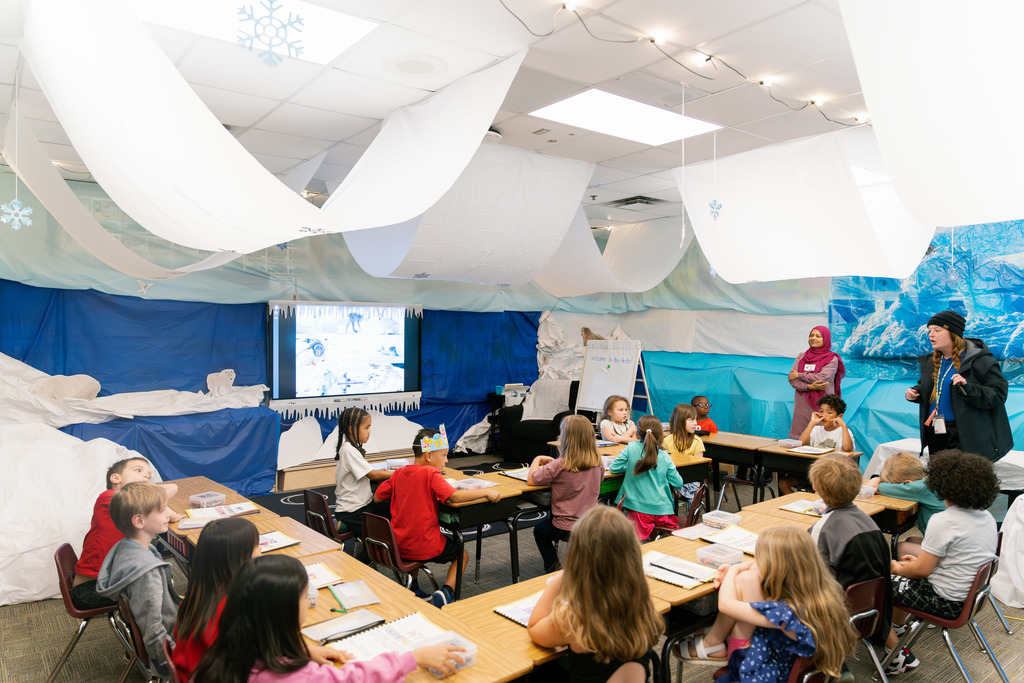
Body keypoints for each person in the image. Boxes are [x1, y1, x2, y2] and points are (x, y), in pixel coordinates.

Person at [191, 554, 465, 683]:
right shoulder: (296, 677)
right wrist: (412, 658)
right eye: (304, 595)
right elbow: (350, 679)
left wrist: (303, 651)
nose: (310, 600)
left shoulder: (225, 652)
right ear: (284, 611)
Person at [675, 527, 856, 682]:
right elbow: (758, 567)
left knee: (746, 580)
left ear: (779, 569)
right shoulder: (822, 593)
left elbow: (726, 604)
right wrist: (747, 569)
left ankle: (712, 641)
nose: (757, 563)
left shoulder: (786, 613)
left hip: (759, 672)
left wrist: (734, 569)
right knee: (749, 578)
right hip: (796, 667)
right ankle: (711, 640)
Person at [884, 449, 999, 676]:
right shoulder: (986, 516)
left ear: (942, 486)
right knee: (902, 574)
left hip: (946, 601)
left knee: (882, 582)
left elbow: (921, 571)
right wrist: (915, 564)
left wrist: (898, 568)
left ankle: (895, 656)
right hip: (970, 598)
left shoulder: (944, 521)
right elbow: (954, 559)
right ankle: (898, 630)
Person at [527, 506, 664, 682]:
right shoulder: (644, 610)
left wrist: (561, 578)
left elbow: (534, 629)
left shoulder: (576, 618)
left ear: (578, 558)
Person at [373, 426, 500, 607]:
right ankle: (446, 592)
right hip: (425, 545)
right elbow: (454, 496)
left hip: (399, 545)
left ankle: (413, 587)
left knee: (413, 544)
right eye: (444, 455)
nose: (446, 460)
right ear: (429, 456)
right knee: (462, 555)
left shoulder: (398, 473)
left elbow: (377, 497)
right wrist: (485, 492)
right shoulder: (431, 473)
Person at [71, 457, 182, 610]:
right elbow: (172, 488)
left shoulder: (131, 507)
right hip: (90, 590)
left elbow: (156, 506)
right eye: (138, 470)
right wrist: (148, 490)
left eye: (149, 475)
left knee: (160, 574)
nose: (146, 476)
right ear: (116, 478)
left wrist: (169, 513)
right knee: (155, 587)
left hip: (111, 580)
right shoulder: (109, 497)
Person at [96, 482, 181, 681]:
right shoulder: (146, 573)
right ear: (139, 521)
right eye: (162, 510)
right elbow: (154, 631)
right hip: (174, 643)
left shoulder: (124, 547)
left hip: (173, 624)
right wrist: (177, 666)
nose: (168, 514)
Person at [905, 310, 1012, 461]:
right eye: (929, 331)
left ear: (953, 333)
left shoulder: (980, 361)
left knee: (963, 475)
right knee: (939, 473)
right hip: (937, 431)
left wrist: (968, 388)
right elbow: (928, 387)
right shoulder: (932, 361)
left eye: (937, 330)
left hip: (966, 435)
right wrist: (915, 392)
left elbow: (998, 395)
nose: (931, 335)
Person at [807, 455, 892, 637]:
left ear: (816, 487)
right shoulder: (868, 522)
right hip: (872, 611)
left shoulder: (821, 529)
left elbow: (812, 578)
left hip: (836, 614)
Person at [172, 518, 261, 681]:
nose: (260, 550)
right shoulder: (232, 610)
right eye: (256, 546)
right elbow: (254, 658)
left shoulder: (196, 596)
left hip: (189, 674)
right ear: (237, 560)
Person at [528, 415, 604, 573]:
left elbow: (532, 479)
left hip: (565, 526)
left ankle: (553, 568)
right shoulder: (598, 463)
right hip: (590, 523)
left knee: (539, 530)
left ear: (566, 439)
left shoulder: (560, 464)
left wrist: (537, 459)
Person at [610, 415, 684, 540]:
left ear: (637, 434)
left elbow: (614, 468)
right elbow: (678, 483)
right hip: (662, 513)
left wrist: (631, 467)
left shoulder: (631, 447)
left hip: (637, 512)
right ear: (661, 435)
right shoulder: (664, 456)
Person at [333, 407, 392, 561]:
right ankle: (359, 565)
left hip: (358, 506)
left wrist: (383, 472)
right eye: (366, 427)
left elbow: (368, 472)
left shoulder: (350, 449)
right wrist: (398, 473)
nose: (369, 432)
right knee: (382, 541)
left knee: (390, 510)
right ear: (352, 429)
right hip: (354, 510)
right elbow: (372, 474)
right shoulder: (349, 450)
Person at [863, 452, 945, 557]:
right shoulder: (927, 479)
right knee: (910, 540)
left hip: (949, 549)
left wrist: (877, 480)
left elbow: (884, 488)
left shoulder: (918, 488)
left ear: (907, 482)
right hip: (950, 540)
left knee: (900, 548)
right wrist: (878, 478)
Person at [781, 395, 855, 495]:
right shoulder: (816, 429)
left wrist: (843, 426)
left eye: (829, 412)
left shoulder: (844, 431)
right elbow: (801, 442)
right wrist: (812, 423)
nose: (824, 415)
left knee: (820, 487)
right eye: (821, 411)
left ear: (839, 416)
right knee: (784, 483)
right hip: (811, 471)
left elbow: (847, 448)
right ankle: (800, 503)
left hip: (832, 474)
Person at [788, 326, 845, 439]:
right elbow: (793, 380)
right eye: (811, 335)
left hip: (823, 404)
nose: (813, 338)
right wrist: (809, 387)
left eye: (818, 336)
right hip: (802, 403)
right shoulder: (801, 356)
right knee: (801, 436)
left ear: (826, 339)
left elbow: (822, 378)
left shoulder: (832, 359)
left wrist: (799, 375)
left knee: (822, 437)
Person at [661, 403, 706, 501]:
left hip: (691, 480)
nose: (695, 423)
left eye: (696, 419)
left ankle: (670, 506)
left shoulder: (697, 441)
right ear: (680, 421)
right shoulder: (667, 440)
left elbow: (699, 470)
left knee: (670, 495)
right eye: (691, 420)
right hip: (672, 478)